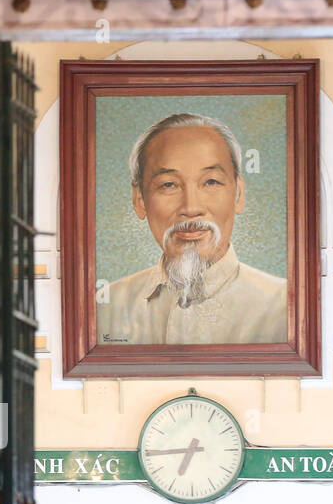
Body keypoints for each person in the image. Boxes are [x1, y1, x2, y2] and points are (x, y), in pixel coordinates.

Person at [98, 112, 288, 346]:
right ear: (139, 199)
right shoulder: (104, 309)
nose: (191, 208)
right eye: (169, 185)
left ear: (238, 195)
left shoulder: (285, 306)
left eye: (211, 182)